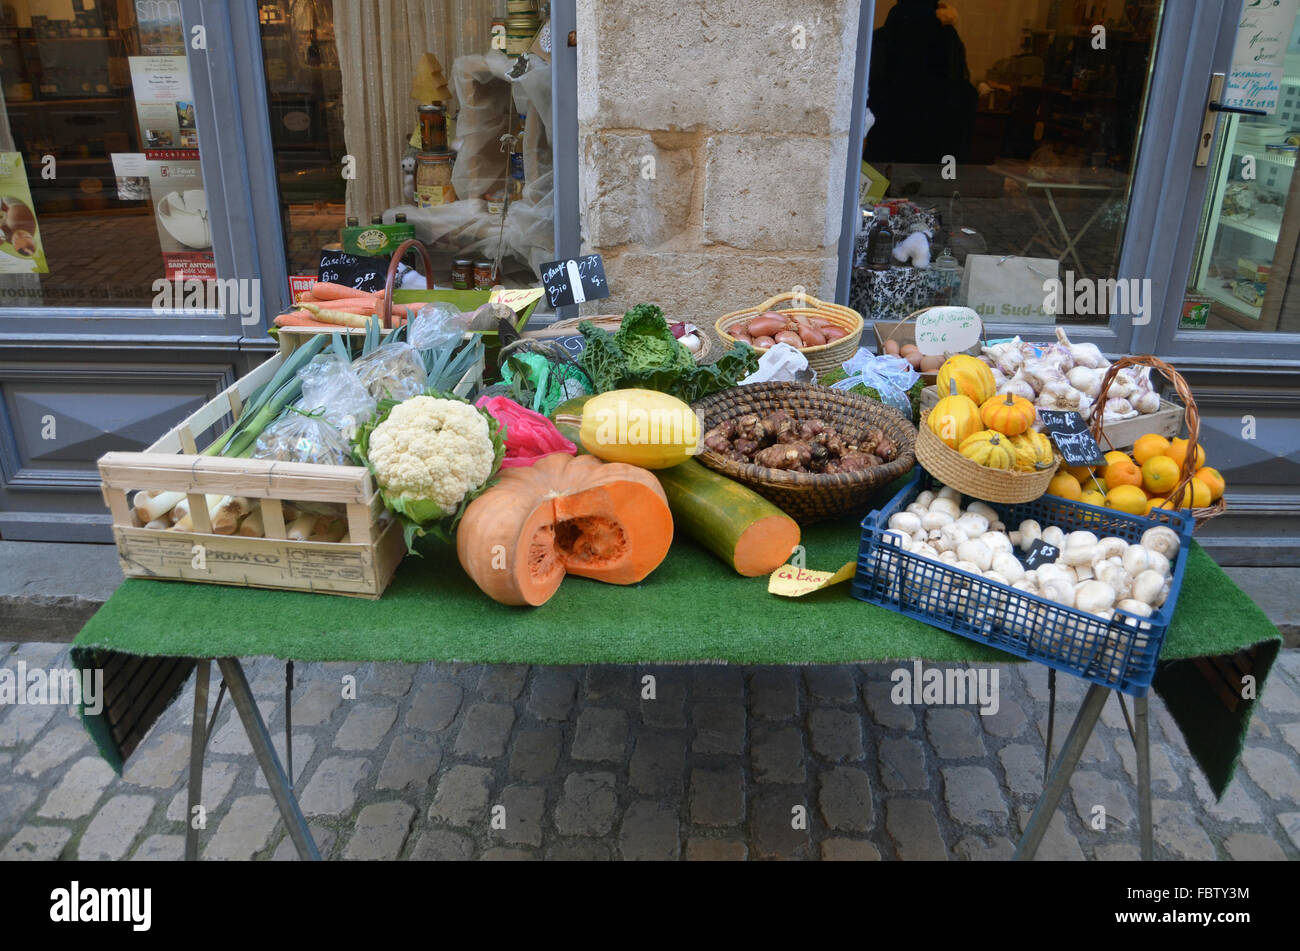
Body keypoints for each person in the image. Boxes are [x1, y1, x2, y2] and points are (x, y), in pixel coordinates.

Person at [863, 0, 977, 166]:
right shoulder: (946, 36)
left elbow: (870, 88)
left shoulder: (884, 35)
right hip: (933, 142)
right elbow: (958, 87)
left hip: (888, 136)